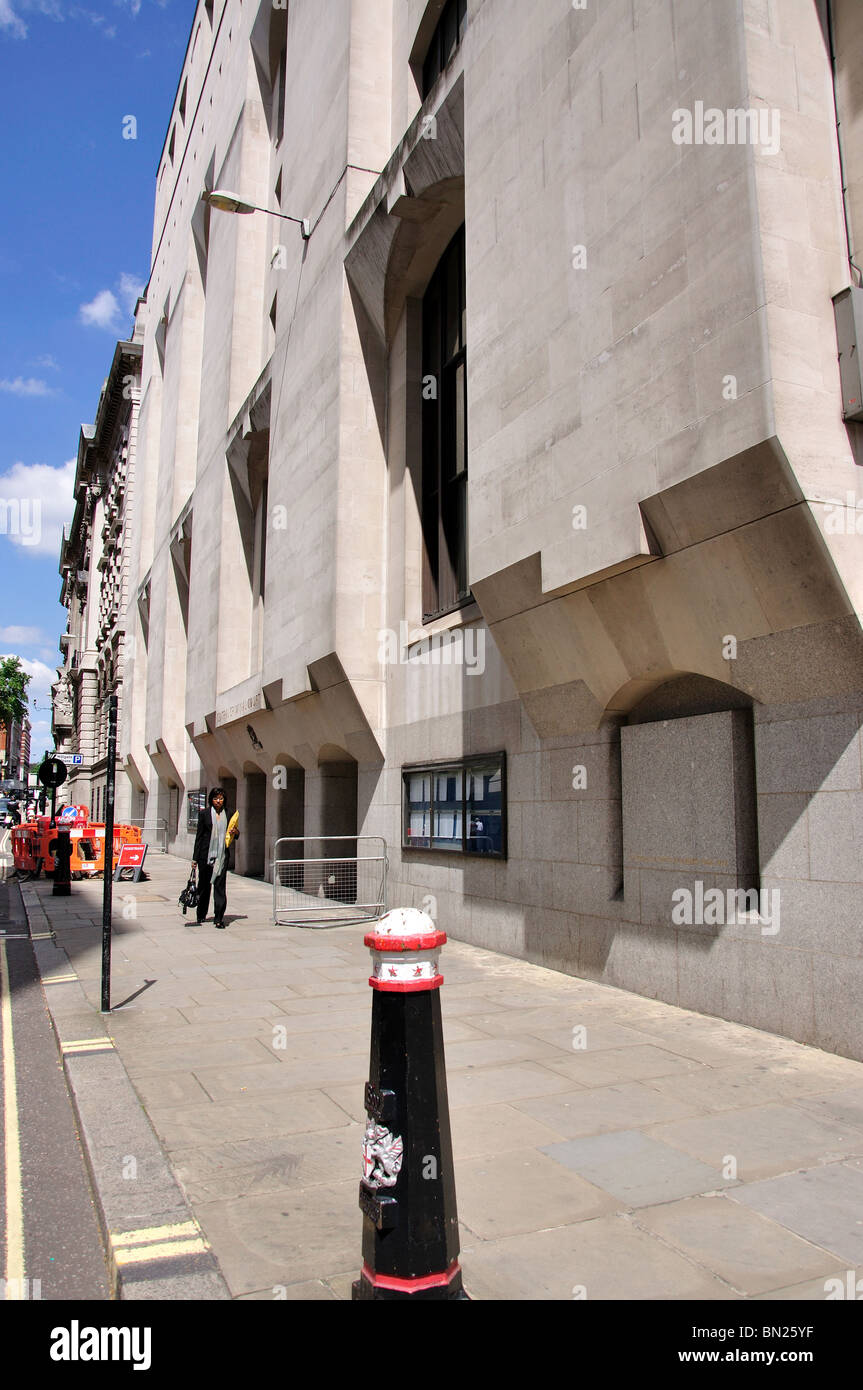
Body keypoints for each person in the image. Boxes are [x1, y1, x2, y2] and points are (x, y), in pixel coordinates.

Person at [192, 787, 239, 929]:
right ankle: (201, 914)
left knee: (220, 887)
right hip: (205, 856)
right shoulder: (204, 814)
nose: (218, 801)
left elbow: (236, 834)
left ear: (224, 800)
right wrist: (194, 859)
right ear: (211, 800)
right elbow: (199, 838)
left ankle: (219, 918)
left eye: (220, 798)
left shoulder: (229, 813)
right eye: (215, 798)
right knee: (204, 886)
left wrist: (235, 831)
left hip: (222, 856)